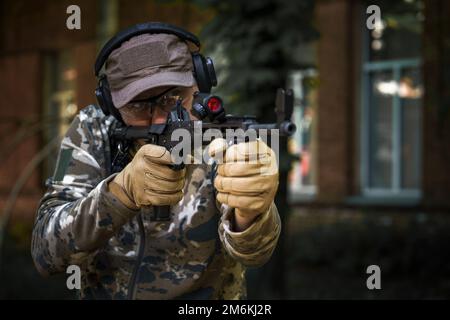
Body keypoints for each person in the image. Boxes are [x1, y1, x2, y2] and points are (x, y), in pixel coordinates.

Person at [31, 22, 281, 300]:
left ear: (198, 83)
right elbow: (45, 252)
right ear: (111, 104)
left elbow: (255, 253)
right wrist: (119, 194)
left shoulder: (222, 137)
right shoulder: (90, 131)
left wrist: (249, 215)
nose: (162, 119)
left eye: (175, 98)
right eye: (138, 106)